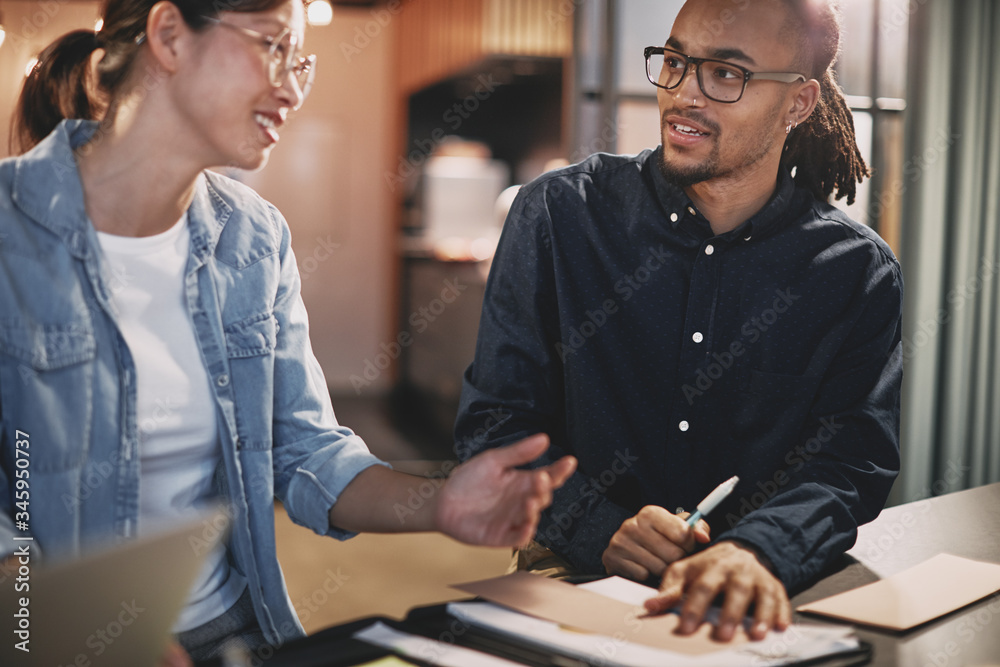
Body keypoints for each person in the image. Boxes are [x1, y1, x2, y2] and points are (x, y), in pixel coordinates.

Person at [0, 0, 576, 663]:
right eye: (272, 46)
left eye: (299, 60)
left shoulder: (253, 235)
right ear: (168, 35)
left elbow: (301, 449)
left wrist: (441, 502)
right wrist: (82, 625)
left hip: (238, 629)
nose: (294, 87)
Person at [455, 0, 901, 643]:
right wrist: (598, 525)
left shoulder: (855, 273)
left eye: (726, 74)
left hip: (759, 599)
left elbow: (848, 466)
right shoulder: (559, 215)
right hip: (578, 584)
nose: (684, 94)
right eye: (674, 62)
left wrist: (757, 548)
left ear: (799, 103)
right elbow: (494, 425)